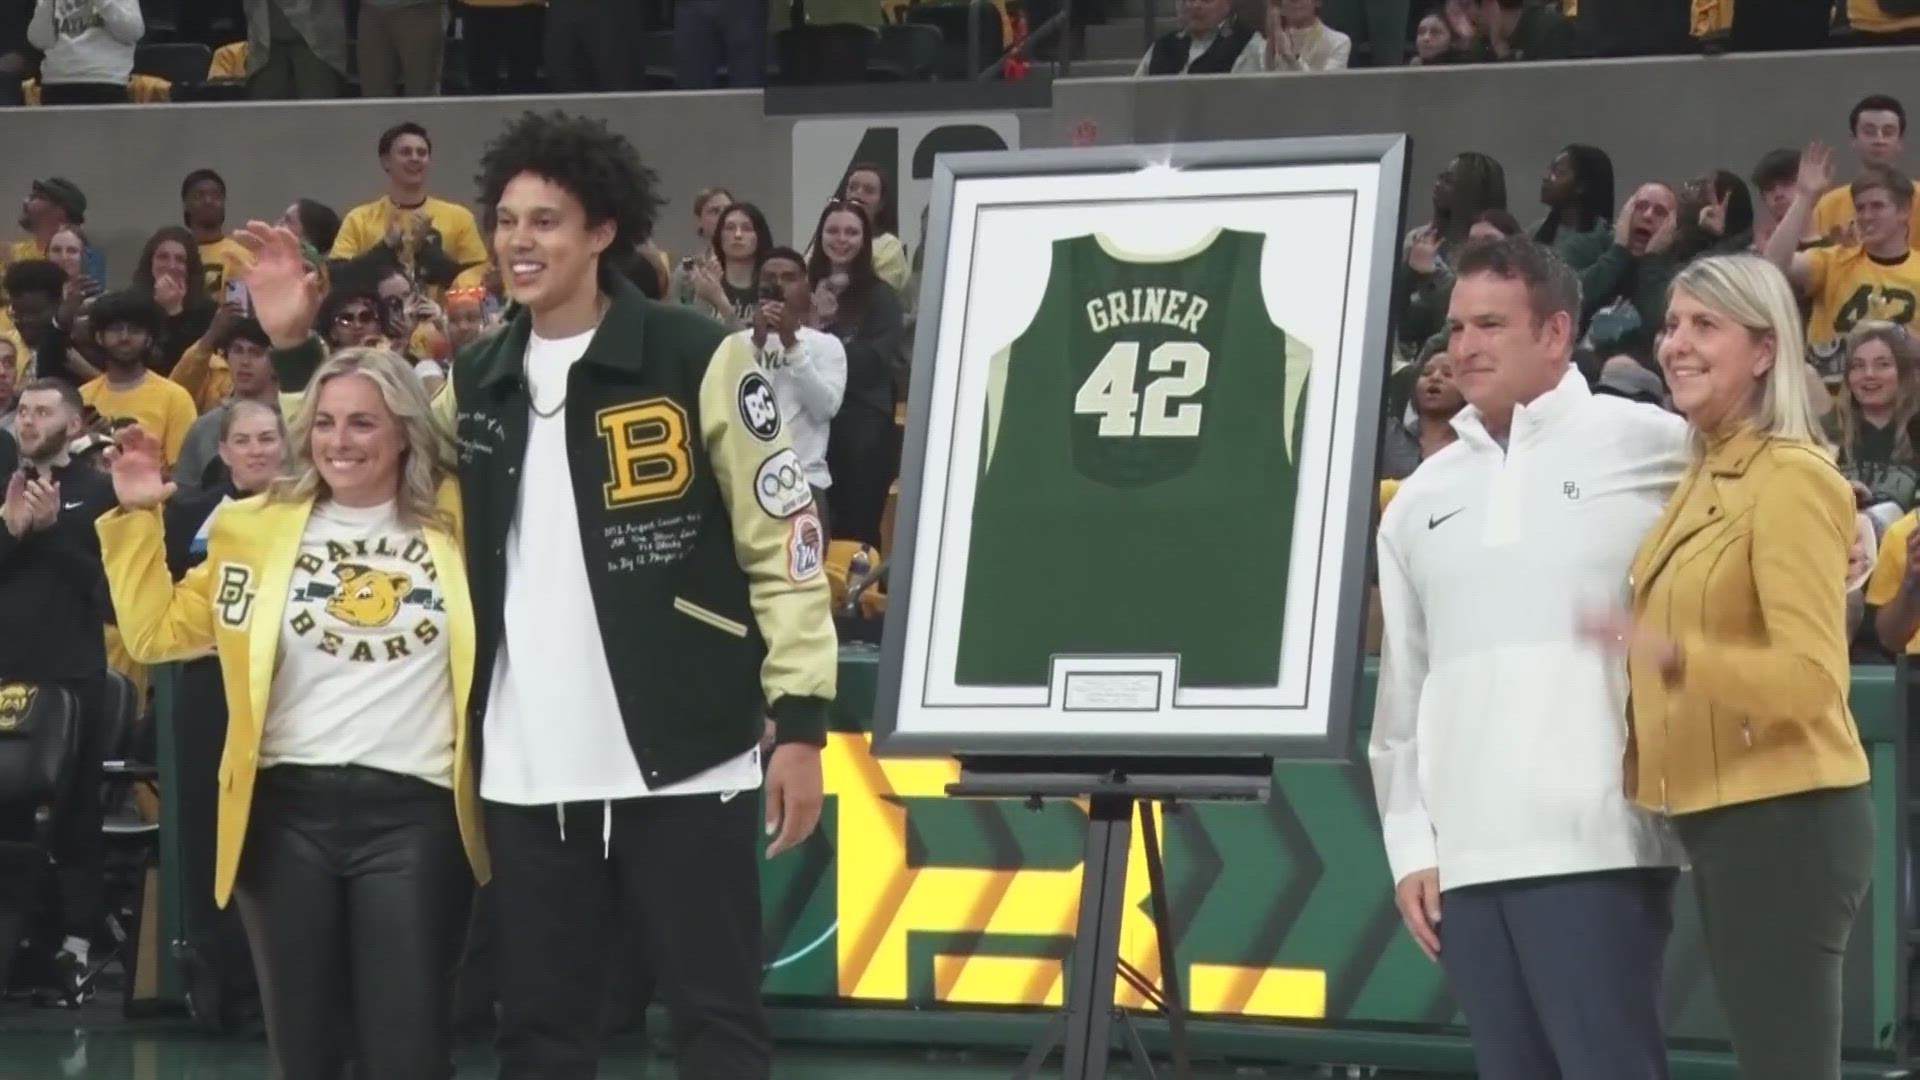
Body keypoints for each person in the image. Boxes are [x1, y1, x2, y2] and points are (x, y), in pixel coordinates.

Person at [249, 108, 837, 1080]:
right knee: (540, 1040)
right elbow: (360, 463)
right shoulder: (473, 379)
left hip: (687, 762)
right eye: (508, 220)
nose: (520, 242)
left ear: (602, 230)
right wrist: (292, 351)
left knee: (716, 1026)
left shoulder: (697, 355)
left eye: (547, 220)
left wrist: (804, 719)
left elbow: (786, 543)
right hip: (529, 775)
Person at [97, 348, 487, 1080]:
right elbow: (156, 634)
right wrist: (136, 514)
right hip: (284, 817)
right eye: (326, 423)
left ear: (405, 430)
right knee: (303, 1056)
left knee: (408, 1054)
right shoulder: (252, 525)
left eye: (363, 423)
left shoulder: (459, 516)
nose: (339, 441)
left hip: (417, 815)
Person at [1371, 236, 1690, 1080]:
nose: (1462, 347)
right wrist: (1412, 847)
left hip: (1605, 844)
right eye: (1454, 327)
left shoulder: (1656, 446)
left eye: (1488, 324)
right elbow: (1404, 697)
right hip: (1469, 862)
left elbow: (1780, 501)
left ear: (1555, 332)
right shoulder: (1418, 503)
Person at [1583, 254, 1873, 1080]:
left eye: (1705, 325)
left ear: (1764, 350)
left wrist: (1674, 655)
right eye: (1672, 324)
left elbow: (1811, 684)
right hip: (1730, 816)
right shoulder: (1704, 467)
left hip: (1785, 817)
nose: (1676, 343)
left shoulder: (1789, 478)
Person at [0, 378, 116, 1002]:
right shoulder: (4, 488)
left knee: (73, 810)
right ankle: (18, 940)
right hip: (4, 671)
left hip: (72, 674)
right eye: (23, 409)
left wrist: (51, 533)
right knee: (6, 813)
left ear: (73, 424)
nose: (28, 419)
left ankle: (75, 940)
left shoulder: (99, 493)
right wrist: (15, 531)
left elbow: (108, 594)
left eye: (44, 411)